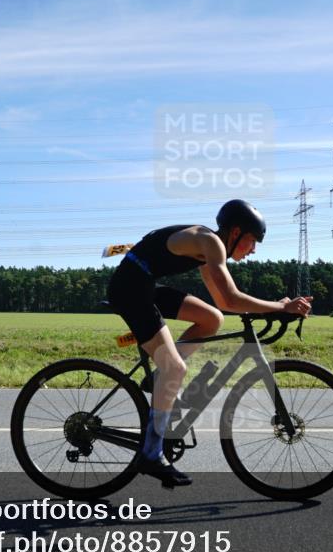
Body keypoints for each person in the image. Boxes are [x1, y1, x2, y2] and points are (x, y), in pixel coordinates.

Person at [106, 200, 312, 488]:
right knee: (176, 370)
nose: (253, 250)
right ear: (237, 232)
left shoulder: (208, 250)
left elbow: (223, 302)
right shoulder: (211, 243)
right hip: (130, 290)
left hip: (144, 284)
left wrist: (274, 307)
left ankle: (159, 378)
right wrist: (280, 308)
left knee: (212, 319)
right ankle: (151, 453)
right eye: (252, 241)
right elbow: (231, 299)